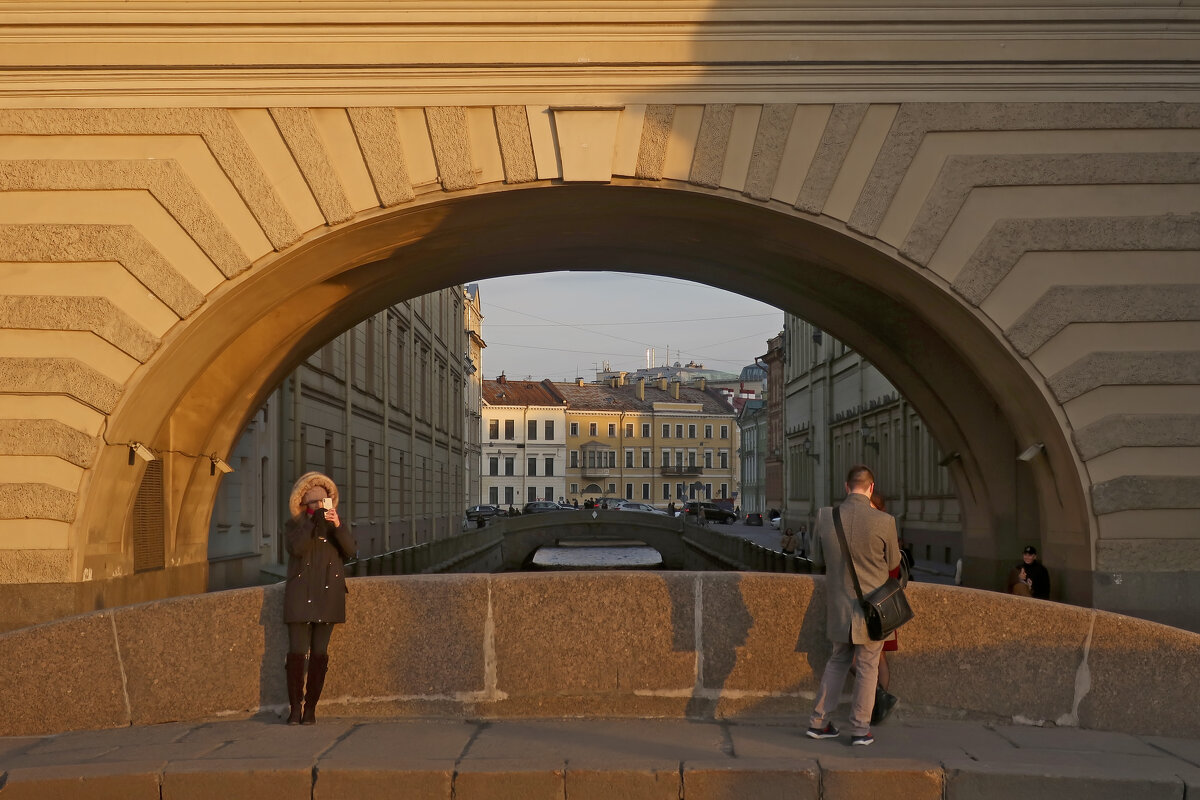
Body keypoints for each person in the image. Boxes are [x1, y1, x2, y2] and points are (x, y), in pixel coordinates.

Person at [807, 465, 900, 747]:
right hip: (871, 610)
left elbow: (816, 559)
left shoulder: (825, 517)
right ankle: (860, 729)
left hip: (839, 606)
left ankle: (818, 722)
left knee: (837, 661)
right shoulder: (884, 521)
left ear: (847, 488)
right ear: (871, 488)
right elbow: (894, 562)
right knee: (869, 666)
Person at [283, 472, 357, 725]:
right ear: (304, 505)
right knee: (296, 653)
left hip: (328, 595)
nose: (320, 507)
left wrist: (337, 526)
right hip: (299, 596)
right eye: (314, 503)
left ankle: (311, 709)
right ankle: (295, 708)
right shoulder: (295, 525)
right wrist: (311, 523)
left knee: (319, 655)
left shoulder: (335, 525)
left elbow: (350, 551)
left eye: (324, 502)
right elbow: (297, 548)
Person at [869, 490, 900, 725]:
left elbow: (891, 567)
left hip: (878, 603)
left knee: (877, 657)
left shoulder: (880, 528)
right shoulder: (885, 528)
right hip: (884, 602)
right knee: (879, 658)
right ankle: (879, 702)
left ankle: (878, 704)